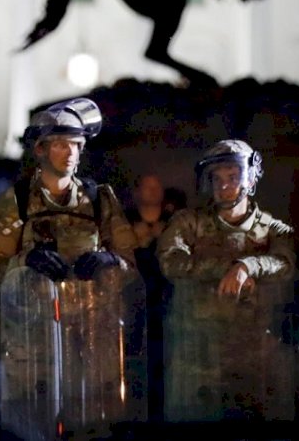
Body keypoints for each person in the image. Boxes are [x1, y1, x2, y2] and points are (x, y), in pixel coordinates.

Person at [0, 97, 139, 439]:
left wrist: (111, 261)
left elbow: (132, 268)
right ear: (41, 150)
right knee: (33, 427)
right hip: (34, 345)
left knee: (93, 426)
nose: (71, 153)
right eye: (61, 145)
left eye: (77, 145)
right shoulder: (18, 200)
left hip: (91, 341)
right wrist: (25, 262)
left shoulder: (99, 198)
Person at [157, 139, 297, 421]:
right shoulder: (188, 222)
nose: (224, 185)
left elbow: (286, 263)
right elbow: (171, 261)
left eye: (233, 177)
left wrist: (248, 265)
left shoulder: (272, 229)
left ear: (250, 177)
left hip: (254, 353)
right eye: (217, 178)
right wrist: (228, 268)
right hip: (199, 354)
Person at [125, 173, 174, 421]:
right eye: (147, 187)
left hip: (166, 301)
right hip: (134, 302)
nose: (153, 191)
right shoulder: (125, 223)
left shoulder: (174, 222)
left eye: (158, 187)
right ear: (136, 193)